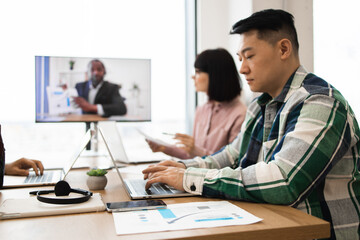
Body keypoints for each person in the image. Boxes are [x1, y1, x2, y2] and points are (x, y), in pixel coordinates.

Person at [143, 9, 360, 239]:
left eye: (249, 56)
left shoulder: (322, 103)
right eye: (240, 58)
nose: (242, 68)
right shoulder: (260, 104)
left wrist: (190, 179)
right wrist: (183, 168)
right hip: (273, 227)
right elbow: (231, 157)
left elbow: (283, 181)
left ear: (283, 49)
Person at [147, 48, 247, 159]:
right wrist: (163, 148)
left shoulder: (240, 114)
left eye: (198, 72)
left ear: (215, 75)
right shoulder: (202, 109)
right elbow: (192, 156)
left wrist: (195, 150)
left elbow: (232, 162)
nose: (192, 76)